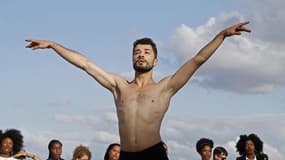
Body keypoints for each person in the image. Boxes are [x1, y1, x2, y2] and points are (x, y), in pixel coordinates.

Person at [26, 21, 251, 160]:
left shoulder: (165, 87)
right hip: (125, 155)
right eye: (137, 51)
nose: (141, 54)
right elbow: (85, 64)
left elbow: (197, 60)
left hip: (153, 153)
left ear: (155, 61)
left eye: (146, 52)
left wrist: (221, 35)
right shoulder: (119, 87)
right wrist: (54, 45)